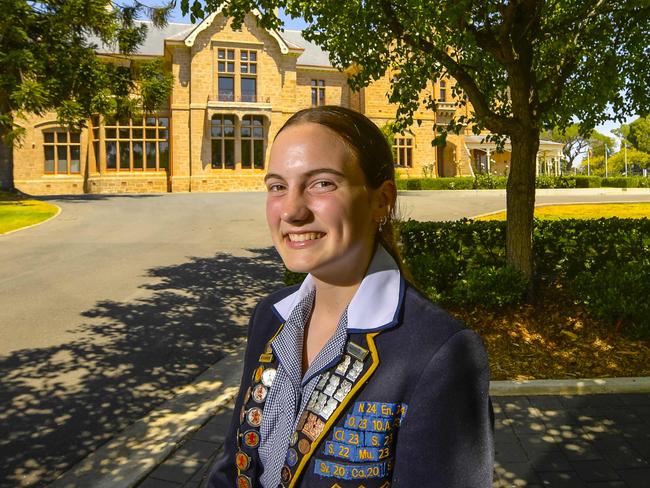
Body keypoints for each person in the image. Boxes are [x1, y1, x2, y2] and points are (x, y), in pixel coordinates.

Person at [207, 106, 494, 488]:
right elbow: (233, 466)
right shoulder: (269, 317)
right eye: (278, 186)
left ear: (382, 200)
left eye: (321, 183)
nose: (291, 210)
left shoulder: (440, 353)